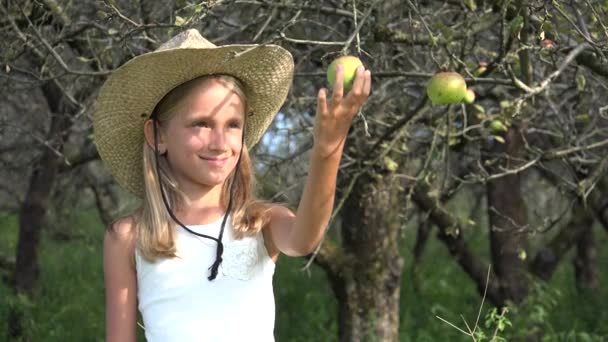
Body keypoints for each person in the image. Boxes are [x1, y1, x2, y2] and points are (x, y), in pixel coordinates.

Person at [95, 29, 371, 342]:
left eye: (232, 125)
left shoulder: (259, 222)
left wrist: (327, 151)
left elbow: (305, 238)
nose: (219, 142)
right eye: (201, 123)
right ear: (157, 135)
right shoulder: (129, 237)